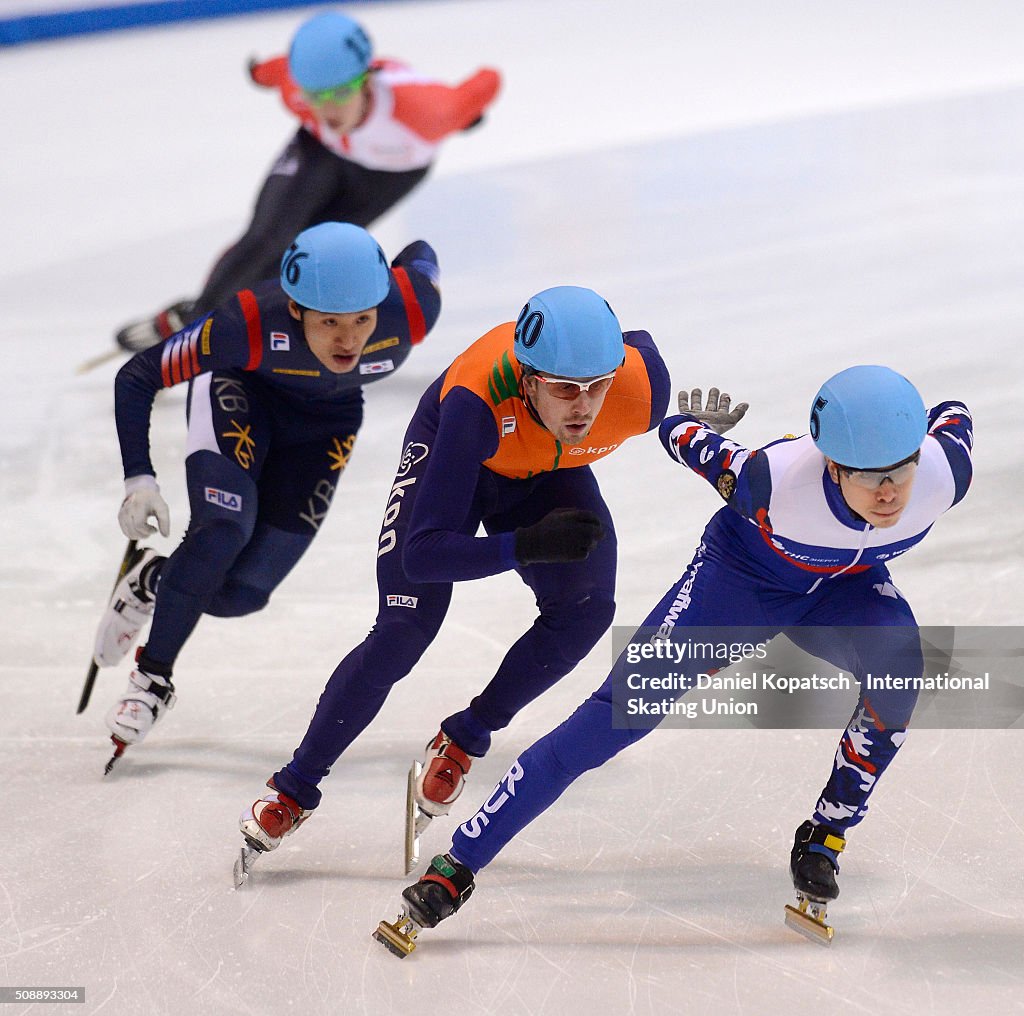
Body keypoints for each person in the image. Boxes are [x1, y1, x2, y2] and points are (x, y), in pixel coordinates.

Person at [381, 366, 973, 951]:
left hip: (845, 592)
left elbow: (954, 412)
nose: (892, 492)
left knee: (900, 675)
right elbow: (679, 437)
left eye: (901, 470)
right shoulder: (769, 481)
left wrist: (898, 425)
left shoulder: (945, 472)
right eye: (872, 478)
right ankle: (458, 864)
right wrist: (690, 422)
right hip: (740, 587)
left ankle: (825, 837)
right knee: (613, 721)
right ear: (834, 465)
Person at [236, 285, 671, 856]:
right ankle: (294, 787)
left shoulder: (641, 391)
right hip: (462, 459)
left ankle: (465, 736)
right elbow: (424, 553)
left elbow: (641, 371)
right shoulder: (475, 402)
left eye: (598, 387)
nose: (585, 407)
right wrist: (526, 545)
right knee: (402, 632)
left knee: (588, 612)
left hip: (546, 470)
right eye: (566, 389)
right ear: (530, 379)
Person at [94, 221, 442, 763]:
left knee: (242, 595)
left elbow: (420, 253)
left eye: (363, 320)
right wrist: (139, 479)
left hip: (327, 425)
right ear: (296, 309)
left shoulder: (413, 306)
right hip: (242, 392)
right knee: (220, 533)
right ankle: (151, 680)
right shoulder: (247, 323)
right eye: (329, 322)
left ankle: (155, 580)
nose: (350, 340)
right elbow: (139, 375)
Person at [114, 9, 500, 352]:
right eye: (314, 95)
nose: (327, 108)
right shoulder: (295, 89)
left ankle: (237, 321)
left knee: (305, 255)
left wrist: (466, 113)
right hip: (320, 150)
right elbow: (274, 71)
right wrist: (258, 71)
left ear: (367, 79)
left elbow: (488, 80)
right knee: (266, 237)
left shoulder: (427, 111)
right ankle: (197, 321)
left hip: (388, 173)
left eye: (340, 93)